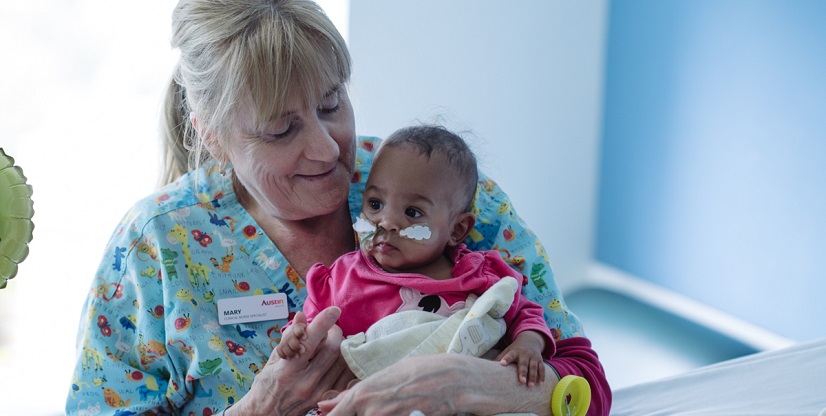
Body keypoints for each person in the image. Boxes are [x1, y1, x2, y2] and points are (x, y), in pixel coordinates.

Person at [65, 1, 611, 415]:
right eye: (282, 130)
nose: (328, 149)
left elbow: (590, 386)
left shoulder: (443, 192)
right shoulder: (156, 247)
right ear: (211, 135)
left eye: (332, 104)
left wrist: (464, 383)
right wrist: (263, 407)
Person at [277, 125, 553, 392]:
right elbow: (309, 326)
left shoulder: (480, 276)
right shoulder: (342, 279)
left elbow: (526, 313)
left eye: (412, 212)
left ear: (457, 229)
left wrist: (528, 343)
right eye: (375, 204)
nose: (387, 222)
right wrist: (295, 337)